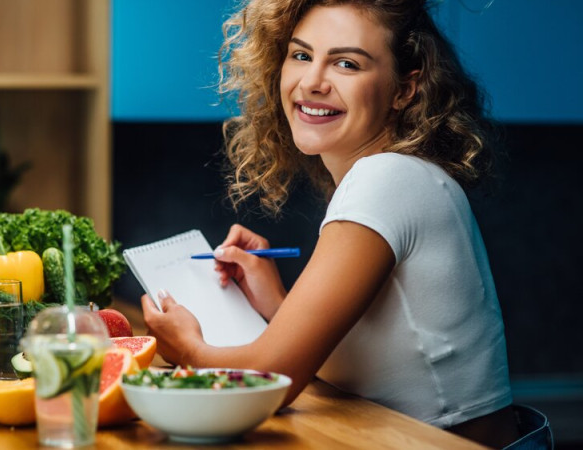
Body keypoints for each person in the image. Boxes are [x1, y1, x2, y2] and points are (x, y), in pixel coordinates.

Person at [141, 0, 524, 447]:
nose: (313, 81)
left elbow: (273, 381)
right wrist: (278, 305)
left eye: (346, 63)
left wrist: (186, 349)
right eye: (301, 55)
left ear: (405, 88)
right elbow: (372, 364)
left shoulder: (386, 177)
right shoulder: (400, 175)